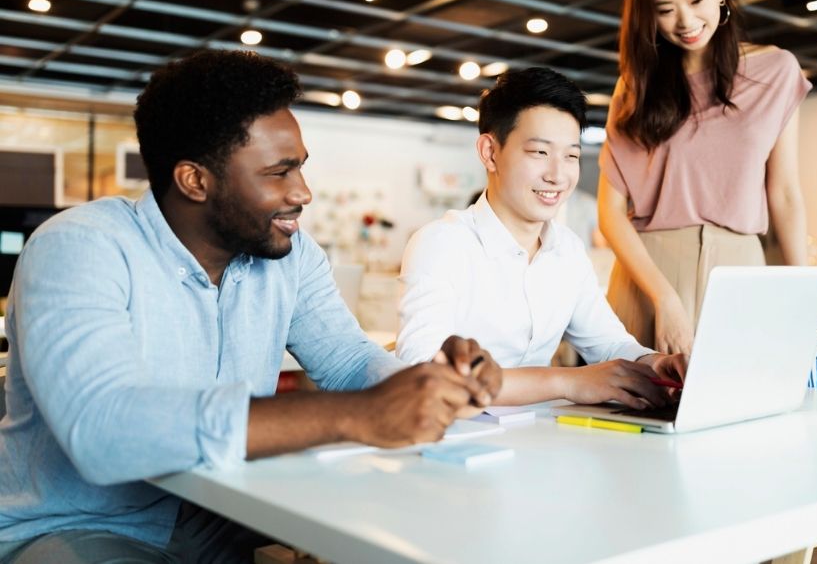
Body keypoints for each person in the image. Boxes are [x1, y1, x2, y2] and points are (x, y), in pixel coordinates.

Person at [0, 50, 501, 563]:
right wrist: (357, 415)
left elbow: (348, 361)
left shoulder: (291, 255)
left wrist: (433, 381)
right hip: (78, 524)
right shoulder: (81, 246)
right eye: (278, 173)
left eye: (300, 168)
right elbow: (103, 429)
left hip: (226, 508)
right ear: (195, 180)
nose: (303, 192)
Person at [396, 67, 685, 408]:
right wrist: (566, 381)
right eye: (539, 153)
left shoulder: (567, 250)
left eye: (572, 156)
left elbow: (608, 344)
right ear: (490, 152)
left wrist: (655, 364)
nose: (558, 175)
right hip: (455, 441)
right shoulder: (442, 244)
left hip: (541, 438)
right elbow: (424, 374)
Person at [598, 0, 811, 358]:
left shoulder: (776, 71)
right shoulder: (635, 88)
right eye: (665, 10)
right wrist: (665, 299)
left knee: (746, 411)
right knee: (636, 415)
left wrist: (805, 295)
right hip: (649, 276)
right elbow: (610, 213)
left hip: (740, 273)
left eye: (696, 0)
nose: (686, 22)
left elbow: (784, 192)